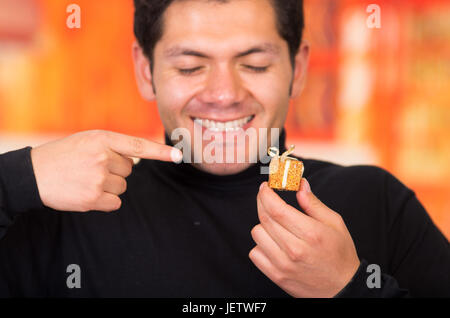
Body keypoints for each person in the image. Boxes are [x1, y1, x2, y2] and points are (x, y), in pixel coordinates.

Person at [0, 0, 449, 298]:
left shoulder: (377, 201)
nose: (223, 93)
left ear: (299, 68)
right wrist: (15, 178)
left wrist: (350, 288)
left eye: (254, 64)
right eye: (191, 66)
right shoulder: (69, 215)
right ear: (144, 69)